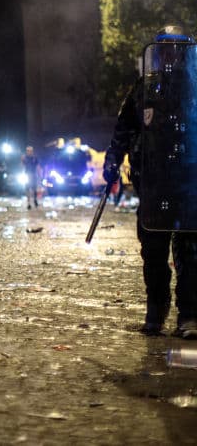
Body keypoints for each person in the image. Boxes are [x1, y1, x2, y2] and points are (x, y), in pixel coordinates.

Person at [104, 25, 197, 337]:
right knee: (153, 254)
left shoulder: (196, 87)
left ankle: (189, 315)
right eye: (166, 48)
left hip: (188, 183)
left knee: (190, 255)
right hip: (154, 185)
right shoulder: (144, 88)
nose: (171, 54)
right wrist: (111, 161)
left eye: (177, 48)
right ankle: (156, 312)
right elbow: (124, 128)